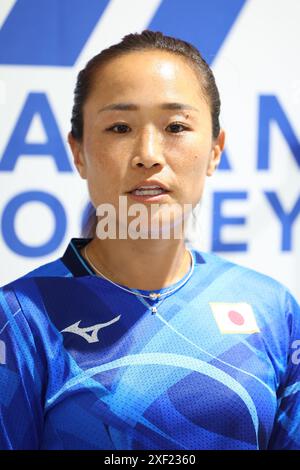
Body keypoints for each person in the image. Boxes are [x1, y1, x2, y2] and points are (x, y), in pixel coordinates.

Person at [0, 30, 299, 450]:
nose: (148, 153)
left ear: (215, 149)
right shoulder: (18, 318)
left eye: (176, 126)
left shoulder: (272, 308)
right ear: (79, 152)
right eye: (120, 127)